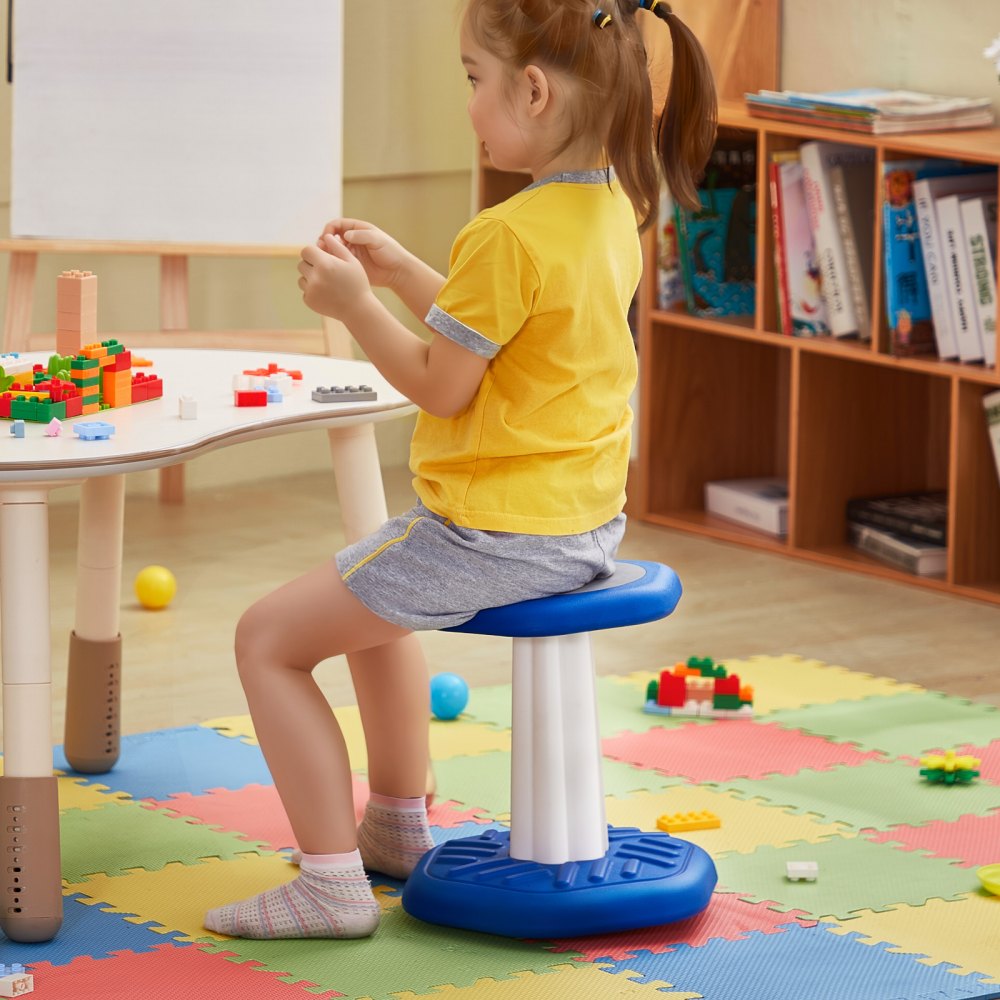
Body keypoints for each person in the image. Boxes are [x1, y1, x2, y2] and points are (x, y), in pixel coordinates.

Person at [204, 0, 716, 940]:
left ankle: (327, 886)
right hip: (584, 525)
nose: (469, 104)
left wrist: (356, 306)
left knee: (266, 640)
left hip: (496, 536)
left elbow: (442, 386)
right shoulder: (610, 207)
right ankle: (395, 829)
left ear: (533, 88)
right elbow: (507, 340)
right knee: (370, 593)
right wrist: (401, 273)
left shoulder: (507, 231)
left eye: (474, 80)